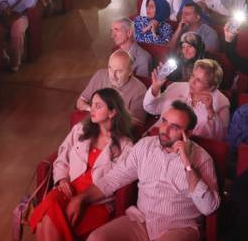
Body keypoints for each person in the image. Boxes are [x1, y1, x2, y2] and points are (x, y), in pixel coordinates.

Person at [66, 101, 220, 241]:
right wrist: (82, 198)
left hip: (179, 227)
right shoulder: (145, 146)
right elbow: (115, 177)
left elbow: (209, 207)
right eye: (164, 121)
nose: (165, 130)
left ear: (189, 133)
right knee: (96, 238)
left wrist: (187, 164)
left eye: (175, 127)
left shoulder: (202, 159)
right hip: (142, 220)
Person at [30, 89, 136, 241]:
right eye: (92, 104)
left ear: (112, 112)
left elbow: (116, 180)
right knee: (50, 209)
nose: (91, 109)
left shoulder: (126, 146)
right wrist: (62, 179)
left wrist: (83, 199)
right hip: (67, 190)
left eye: (98, 106)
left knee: (44, 224)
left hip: (97, 202)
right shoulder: (79, 130)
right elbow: (62, 157)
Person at [144, 58, 230, 140]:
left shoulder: (222, 103)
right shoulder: (176, 87)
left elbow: (220, 138)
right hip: (157, 137)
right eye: (193, 75)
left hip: (189, 146)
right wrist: (155, 89)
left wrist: (210, 111)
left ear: (211, 87)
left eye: (199, 80)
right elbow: (151, 109)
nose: (192, 81)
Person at [77, 50, 148, 124]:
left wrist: (106, 116)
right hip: (92, 125)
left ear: (130, 71)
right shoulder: (100, 75)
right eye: (110, 68)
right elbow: (80, 102)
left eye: (119, 71)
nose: (113, 75)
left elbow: (137, 124)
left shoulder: (139, 90)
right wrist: (92, 110)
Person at [0, 0, 39, 73]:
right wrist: (6, 7)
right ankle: (3, 55)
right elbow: (1, 0)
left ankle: (15, 62)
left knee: (16, 34)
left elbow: (31, 5)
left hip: (21, 16)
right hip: (6, 15)